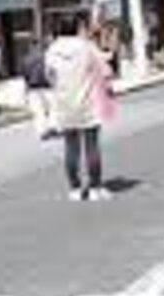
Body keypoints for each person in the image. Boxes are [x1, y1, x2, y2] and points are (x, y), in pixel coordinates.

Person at [45, 14, 114, 202]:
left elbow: (50, 77)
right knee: (91, 146)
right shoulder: (86, 47)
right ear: (77, 27)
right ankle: (95, 188)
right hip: (87, 103)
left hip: (64, 105)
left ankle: (75, 188)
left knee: (71, 148)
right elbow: (105, 69)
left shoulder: (51, 50)